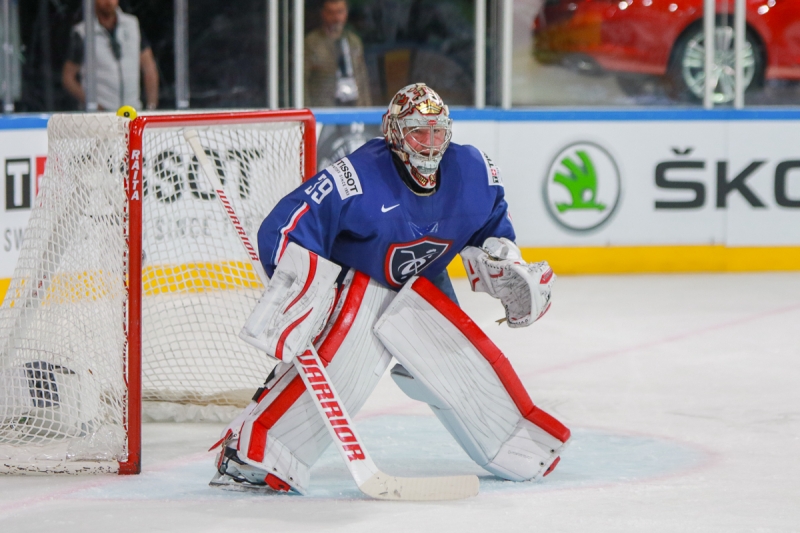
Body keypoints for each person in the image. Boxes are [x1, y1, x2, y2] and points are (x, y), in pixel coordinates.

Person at [210, 83, 570, 494]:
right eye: (419, 132)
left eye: (438, 133)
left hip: (424, 289)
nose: (430, 145)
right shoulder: (356, 176)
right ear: (395, 133)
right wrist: (300, 292)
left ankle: (517, 446)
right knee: (344, 368)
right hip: (358, 289)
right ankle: (256, 451)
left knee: (461, 368)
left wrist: (505, 262)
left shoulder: (473, 171)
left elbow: (491, 230)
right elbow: (286, 226)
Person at [62, 0, 158, 111]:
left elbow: (149, 68)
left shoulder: (132, 25)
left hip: (132, 111)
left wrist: (151, 108)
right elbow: (68, 77)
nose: (108, 1)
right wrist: (92, 104)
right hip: (99, 116)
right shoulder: (83, 32)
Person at [304, 0, 371, 107]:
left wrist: (366, 110)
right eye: (331, 13)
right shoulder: (312, 43)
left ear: (346, 13)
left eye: (340, 12)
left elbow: (362, 78)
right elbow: (302, 81)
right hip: (324, 109)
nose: (336, 18)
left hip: (353, 107)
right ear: (323, 13)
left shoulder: (353, 42)